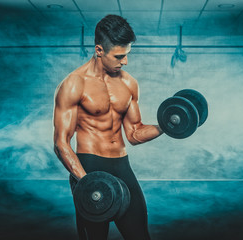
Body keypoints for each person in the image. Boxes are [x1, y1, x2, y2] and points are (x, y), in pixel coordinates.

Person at [53, 14, 163, 240]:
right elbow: (61, 143)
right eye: (119, 56)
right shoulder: (74, 84)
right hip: (88, 166)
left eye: (127, 55)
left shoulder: (129, 83)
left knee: (140, 235)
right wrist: (85, 182)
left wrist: (167, 126)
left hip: (121, 166)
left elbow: (134, 133)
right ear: (99, 50)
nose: (125, 62)